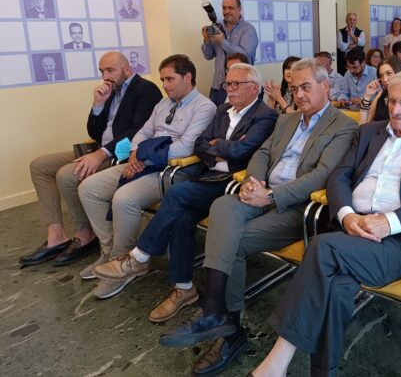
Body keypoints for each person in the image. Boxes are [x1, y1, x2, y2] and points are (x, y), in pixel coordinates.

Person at [252, 69, 401, 377]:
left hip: (397, 242)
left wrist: (391, 221)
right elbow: (339, 176)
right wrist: (347, 215)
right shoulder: (369, 133)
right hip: (350, 230)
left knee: (322, 247)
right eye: (392, 101)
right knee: (336, 288)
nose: (396, 110)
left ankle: (277, 360)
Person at [155, 59, 357, 376]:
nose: (299, 95)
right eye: (295, 88)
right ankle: (218, 316)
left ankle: (227, 327)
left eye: (306, 87)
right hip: (261, 193)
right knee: (222, 206)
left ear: (325, 86)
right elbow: (262, 153)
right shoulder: (287, 119)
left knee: (231, 243)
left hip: (295, 207)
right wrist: (254, 182)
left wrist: (272, 196)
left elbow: (323, 175)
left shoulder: (343, 126)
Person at [91, 64, 277, 308]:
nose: (229, 89)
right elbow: (199, 144)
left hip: (233, 184)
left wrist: (217, 144)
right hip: (208, 176)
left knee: (177, 192)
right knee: (181, 218)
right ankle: (184, 287)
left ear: (254, 88)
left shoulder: (265, 115)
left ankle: (139, 255)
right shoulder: (223, 110)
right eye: (227, 84)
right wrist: (219, 148)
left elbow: (243, 151)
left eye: (236, 84)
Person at [78, 55, 216, 298]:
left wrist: (144, 157)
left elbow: (186, 147)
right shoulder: (163, 103)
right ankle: (109, 252)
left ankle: (125, 263)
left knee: (124, 199)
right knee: (89, 188)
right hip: (141, 161)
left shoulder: (204, 107)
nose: (165, 85)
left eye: (170, 79)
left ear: (187, 77)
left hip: (172, 170)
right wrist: (134, 152)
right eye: (162, 80)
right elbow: (142, 133)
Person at [21, 51, 161, 267]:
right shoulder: (110, 91)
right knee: (39, 166)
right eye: (102, 71)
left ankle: (85, 234)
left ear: (127, 69)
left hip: (120, 154)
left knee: (67, 175)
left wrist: (102, 154)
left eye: (110, 70)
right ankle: (56, 236)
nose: (105, 76)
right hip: (98, 148)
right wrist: (97, 105)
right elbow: (94, 132)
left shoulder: (145, 89)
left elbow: (138, 132)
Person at [201, 0, 259, 105]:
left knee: (236, 116)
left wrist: (222, 41)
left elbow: (245, 57)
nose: (226, 11)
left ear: (239, 9)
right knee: (215, 116)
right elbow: (208, 56)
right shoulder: (217, 26)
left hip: (239, 87)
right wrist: (206, 40)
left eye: (231, 8)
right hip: (217, 87)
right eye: (224, 8)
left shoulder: (248, 29)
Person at [359, 56, 401, 124]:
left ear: (400, 72)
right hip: (375, 130)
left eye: (389, 73)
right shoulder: (382, 93)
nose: (385, 79)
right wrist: (367, 96)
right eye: (381, 75)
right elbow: (364, 124)